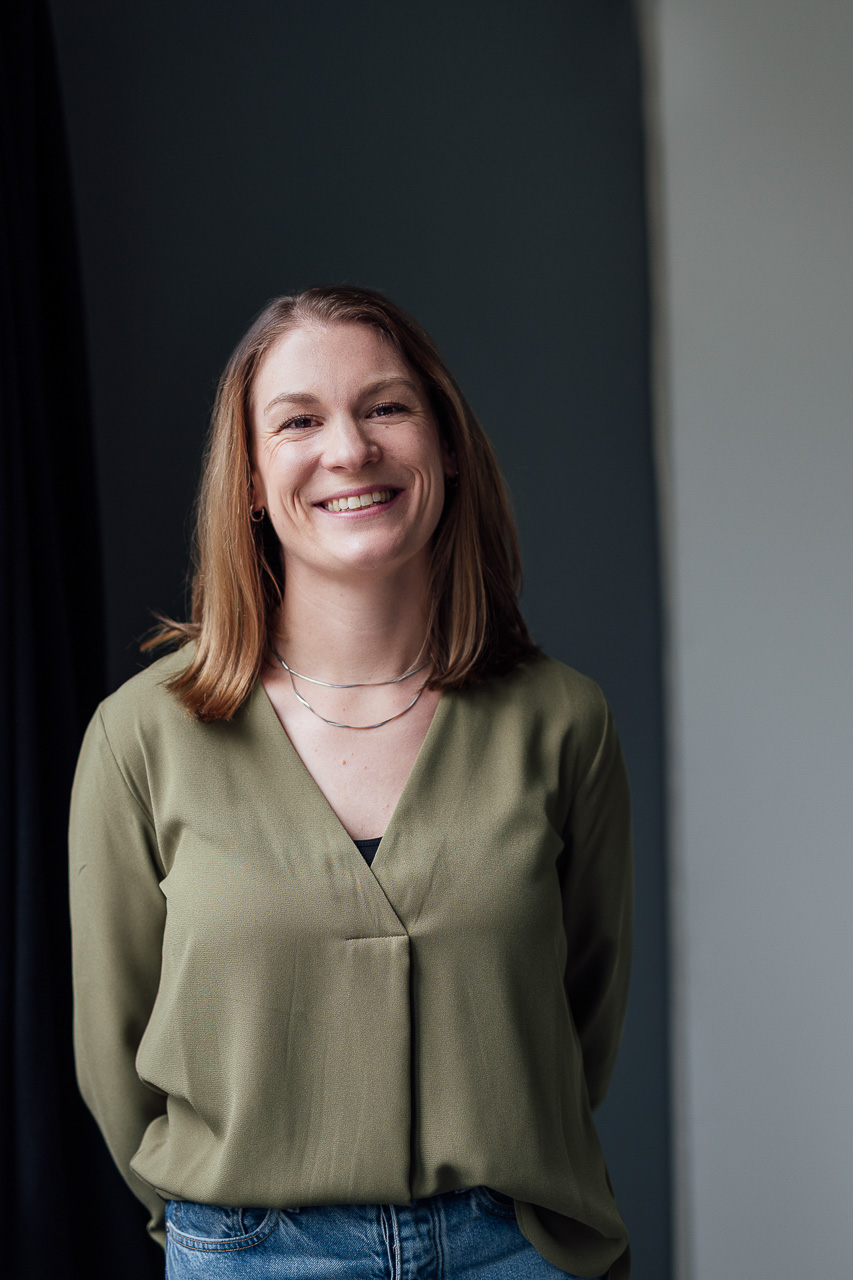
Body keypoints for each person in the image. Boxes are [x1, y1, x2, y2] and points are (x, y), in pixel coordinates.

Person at [69, 285, 633, 1279]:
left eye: (385, 407)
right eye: (299, 419)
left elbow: (580, 1012)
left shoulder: (564, 720)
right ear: (248, 477)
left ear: (445, 444)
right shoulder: (140, 735)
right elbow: (114, 1050)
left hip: (515, 1247)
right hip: (250, 1252)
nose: (349, 448)